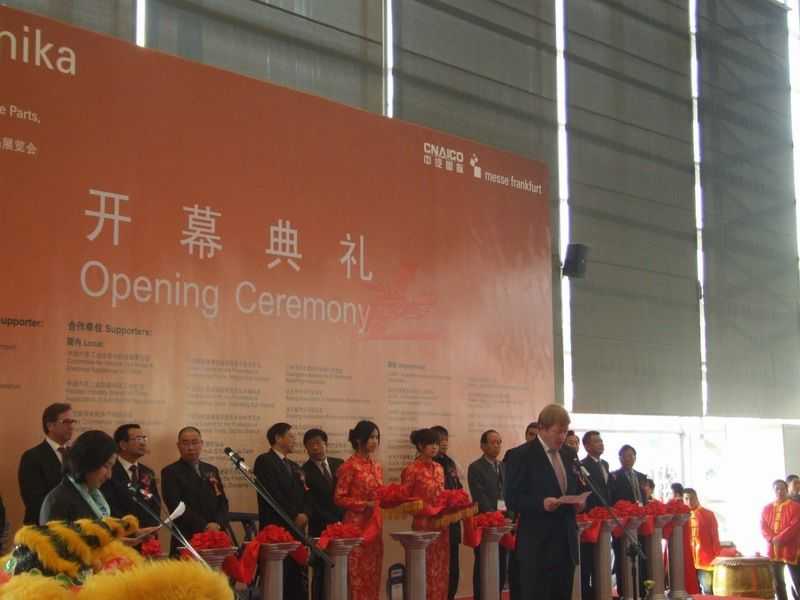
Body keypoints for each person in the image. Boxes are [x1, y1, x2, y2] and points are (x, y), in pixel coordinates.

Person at [505, 403, 583, 600]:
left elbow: (575, 488)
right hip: (538, 545)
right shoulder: (520, 455)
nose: (562, 437)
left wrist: (579, 502)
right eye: (557, 432)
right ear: (542, 428)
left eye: (565, 432)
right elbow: (512, 499)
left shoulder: (569, 454)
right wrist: (541, 503)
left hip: (566, 543)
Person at [254, 422, 310, 599]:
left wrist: (304, 513)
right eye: (290, 436)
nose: (294, 440)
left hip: (296, 530)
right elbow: (273, 494)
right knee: (278, 581)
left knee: (296, 581)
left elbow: (304, 494)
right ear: (278, 438)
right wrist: (294, 515)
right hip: (276, 529)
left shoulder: (294, 465)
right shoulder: (264, 461)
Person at [334, 420, 383, 600]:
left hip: (374, 525)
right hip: (356, 527)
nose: (375, 441)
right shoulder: (349, 466)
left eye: (377, 437)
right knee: (356, 573)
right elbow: (339, 497)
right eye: (371, 437)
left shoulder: (377, 466)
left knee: (373, 572)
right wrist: (364, 504)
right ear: (358, 439)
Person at [161, 426, 229, 555]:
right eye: (185, 443)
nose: (191, 447)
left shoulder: (211, 469)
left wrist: (218, 524)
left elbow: (222, 501)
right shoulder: (170, 472)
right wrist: (205, 526)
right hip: (188, 536)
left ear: (201, 444)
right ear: (178, 446)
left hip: (216, 535)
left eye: (194, 442)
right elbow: (175, 506)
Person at [402, 428, 449, 600]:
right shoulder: (411, 469)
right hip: (423, 526)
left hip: (441, 525)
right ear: (420, 445)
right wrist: (426, 509)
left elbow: (442, 495)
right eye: (430, 444)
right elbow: (405, 500)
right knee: (424, 568)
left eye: (436, 443)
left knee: (441, 568)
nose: (434, 447)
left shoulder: (439, 468)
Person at [39, 430, 116, 523]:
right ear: (88, 461)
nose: (109, 475)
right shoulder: (58, 501)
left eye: (112, 467)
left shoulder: (93, 493)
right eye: (106, 466)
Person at [302, 428, 344, 600]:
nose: (315, 448)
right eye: (310, 445)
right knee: (320, 571)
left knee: (340, 568)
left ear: (326, 444)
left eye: (318, 443)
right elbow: (311, 503)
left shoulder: (339, 464)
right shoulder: (303, 471)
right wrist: (333, 521)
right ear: (306, 448)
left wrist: (343, 520)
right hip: (320, 528)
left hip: (343, 527)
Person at [18, 403, 76, 524]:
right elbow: (34, 501)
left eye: (73, 422)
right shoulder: (32, 457)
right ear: (50, 426)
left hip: (74, 526)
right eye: (66, 422)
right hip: (42, 527)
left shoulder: (76, 455)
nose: (71, 426)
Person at [468, 429, 507, 600]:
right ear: (483, 446)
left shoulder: (503, 466)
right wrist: (493, 515)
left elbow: (508, 493)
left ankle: (496, 595)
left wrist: (508, 515)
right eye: (493, 442)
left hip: (503, 524)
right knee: (483, 564)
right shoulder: (476, 467)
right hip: (486, 523)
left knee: (501, 563)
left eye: (499, 442)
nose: (497, 445)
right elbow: (479, 495)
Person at [101, 423, 161, 527]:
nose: (143, 443)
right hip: (121, 532)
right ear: (123, 445)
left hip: (147, 533)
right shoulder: (109, 470)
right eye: (138, 439)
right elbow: (109, 507)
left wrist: (151, 528)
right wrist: (133, 531)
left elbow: (155, 505)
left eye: (144, 439)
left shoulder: (147, 472)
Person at [609, 444, 648, 598]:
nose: (629, 458)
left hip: (640, 523)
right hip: (623, 525)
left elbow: (645, 499)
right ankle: (624, 591)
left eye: (631, 455)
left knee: (641, 557)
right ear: (620, 458)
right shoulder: (614, 476)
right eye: (625, 456)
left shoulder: (641, 476)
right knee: (623, 557)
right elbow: (612, 500)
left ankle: (641, 590)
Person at [432, 424, 464, 600]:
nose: (444, 443)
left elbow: (458, 487)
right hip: (436, 524)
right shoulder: (428, 464)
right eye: (439, 440)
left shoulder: (450, 462)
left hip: (453, 523)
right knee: (436, 568)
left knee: (453, 568)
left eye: (445, 439)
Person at [579, 430, 610, 600]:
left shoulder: (605, 464)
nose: (601, 443)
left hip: (606, 519)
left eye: (601, 440)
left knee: (602, 560)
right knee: (588, 560)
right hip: (591, 519)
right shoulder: (582, 465)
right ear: (587, 446)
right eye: (596, 441)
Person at [761, 479, 800, 600]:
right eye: (777, 489)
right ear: (773, 491)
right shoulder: (766, 508)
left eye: (782, 489)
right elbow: (763, 526)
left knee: (797, 581)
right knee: (778, 583)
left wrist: (780, 538)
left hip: (792, 549)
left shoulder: (796, 507)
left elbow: (795, 526)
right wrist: (771, 538)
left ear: (787, 490)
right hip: (773, 550)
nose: (779, 491)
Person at [683, 488, 720, 594]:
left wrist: (716, 556)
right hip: (688, 560)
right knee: (691, 591)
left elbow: (715, 537)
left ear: (697, 498)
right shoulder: (681, 517)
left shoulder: (708, 514)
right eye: (686, 499)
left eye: (692, 498)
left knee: (707, 590)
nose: (689, 501)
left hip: (705, 560)